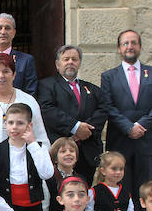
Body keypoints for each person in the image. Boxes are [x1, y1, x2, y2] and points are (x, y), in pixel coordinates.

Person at [99, 30, 152, 201]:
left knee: (145, 189)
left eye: (133, 43)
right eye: (125, 43)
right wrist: (128, 127)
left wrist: (141, 125)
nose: (130, 46)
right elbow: (108, 106)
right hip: (120, 140)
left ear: (140, 47)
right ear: (119, 48)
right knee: (121, 188)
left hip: (146, 139)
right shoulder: (109, 76)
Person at [37, 45, 105, 183]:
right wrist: (75, 127)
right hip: (60, 152)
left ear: (79, 63)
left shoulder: (92, 89)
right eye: (66, 59)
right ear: (57, 64)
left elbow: (103, 110)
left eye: (74, 59)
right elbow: (47, 110)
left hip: (87, 151)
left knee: (84, 191)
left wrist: (86, 130)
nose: (70, 62)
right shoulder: (46, 86)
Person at [0, 53, 49, 157]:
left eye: (6, 71)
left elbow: (41, 138)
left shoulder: (28, 101)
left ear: (14, 74)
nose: (1, 76)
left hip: (22, 165)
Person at [43, 137, 80, 211]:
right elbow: (45, 207)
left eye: (71, 151)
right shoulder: (49, 179)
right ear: (55, 158)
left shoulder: (80, 179)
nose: (68, 154)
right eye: (63, 151)